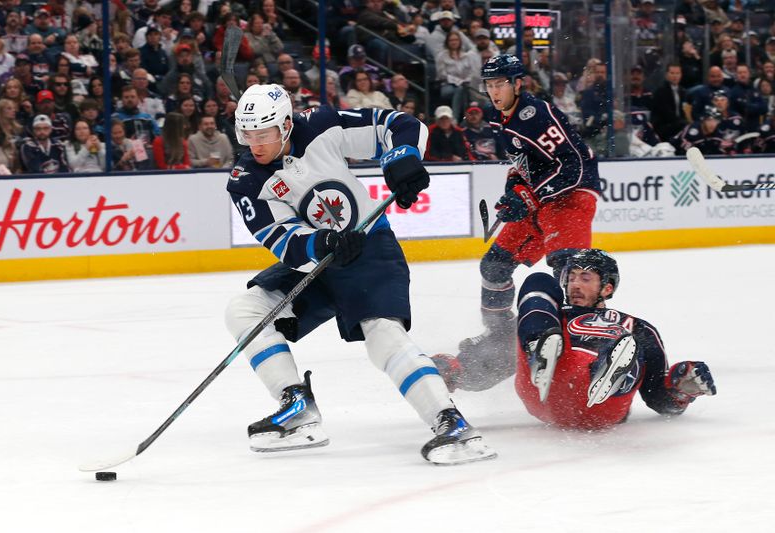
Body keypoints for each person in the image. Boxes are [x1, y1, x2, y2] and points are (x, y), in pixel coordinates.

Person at [223, 83, 495, 465]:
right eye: (247, 134)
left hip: (370, 248)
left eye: (263, 134)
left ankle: (450, 423)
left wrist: (402, 158)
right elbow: (283, 240)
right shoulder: (245, 179)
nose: (255, 144)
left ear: (285, 125)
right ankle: (297, 407)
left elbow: (398, 124)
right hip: (317, 263)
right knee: (244, 310)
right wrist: (323, 244)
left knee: (383, 335)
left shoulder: (319, 124)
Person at [434, 54, 600, 393]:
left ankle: (585, 351)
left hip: (570, 198)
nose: (494, 91)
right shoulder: (500, 119)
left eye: (500, 84)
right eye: (490, 85)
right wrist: (515, 190)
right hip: (539, 202)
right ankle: (501, 337)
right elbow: (525, 164)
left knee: (570, 275)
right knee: (494, 266)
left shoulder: (535, 114)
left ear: (517, 83)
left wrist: (529, 195)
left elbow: (575, 165)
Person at [514, 249, 716, 429]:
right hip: (543, 388)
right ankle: (539, 352)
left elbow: (657, 398)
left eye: (585, 278)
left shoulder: (638, 327)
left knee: (631, 342)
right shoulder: (553, 314)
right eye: (572, 277)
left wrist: (682, 391)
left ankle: (608, 373)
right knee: (539, 280)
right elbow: (494, 361)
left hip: (602, 408)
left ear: (606, 288)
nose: (574, 284)